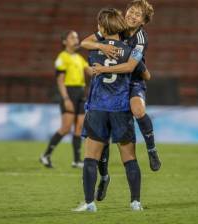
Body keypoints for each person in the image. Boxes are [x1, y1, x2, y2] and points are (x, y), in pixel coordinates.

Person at [80, 0, 160, 202]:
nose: (132, 16)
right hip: (110, 92)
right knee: (102, 140)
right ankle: (105, 176)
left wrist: (103, 68)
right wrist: (101, 46)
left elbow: (133, 67)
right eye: (131, 11)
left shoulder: (141, 38)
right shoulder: (117, 27)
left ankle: (152, 150)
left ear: (143, 21)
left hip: (132, 81)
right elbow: (85, 42)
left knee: (138, 110)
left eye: (137, 15)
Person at [73, 8, 146, 212]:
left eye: (99, 25)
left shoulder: (95, 49)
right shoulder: (130, 49)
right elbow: (143, 73)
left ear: (103, 27)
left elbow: (88, 50)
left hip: (98, 108)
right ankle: (135, 202)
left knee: (90, 158)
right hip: (121, 108)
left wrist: (100, 41)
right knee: (129, 158)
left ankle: (89, 203)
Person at [39, 31, 92, 169]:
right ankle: (46, 155)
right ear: (64, 42)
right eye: (72, 37)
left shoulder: (79, 58)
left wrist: (103, 67)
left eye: (76, 37)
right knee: (66, 128)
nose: (76, 39)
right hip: (69, 93)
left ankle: (76, 160)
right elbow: (60, 80)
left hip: (81, 93)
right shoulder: (62, 57)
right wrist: (66, 98)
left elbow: (90, 72)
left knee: (79, 127)